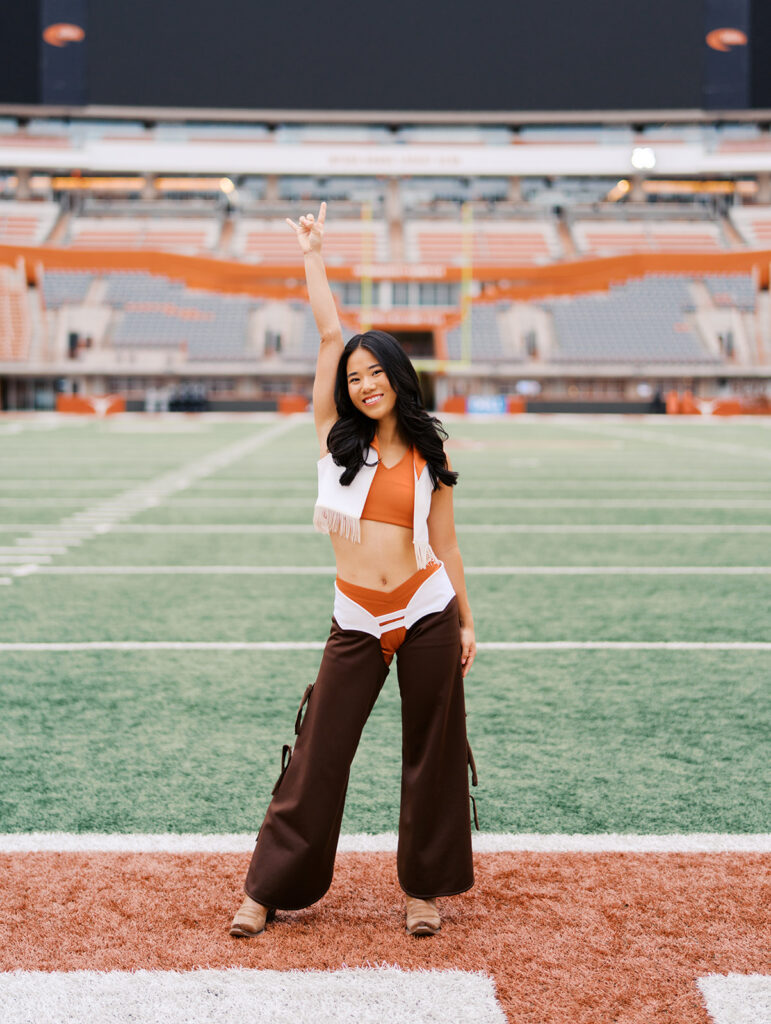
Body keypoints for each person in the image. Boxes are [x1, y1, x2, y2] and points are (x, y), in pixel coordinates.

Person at [229, 201, 478, 939]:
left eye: (377, 373)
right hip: (357, 617)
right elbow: (329, 333)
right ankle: (269, 889)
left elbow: (449, 543)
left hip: (426, 611)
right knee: (318, 754)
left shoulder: (434, 452)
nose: (366, 383)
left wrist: (466, 616)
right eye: (357, 376)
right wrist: (312, 254)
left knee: (431, 755)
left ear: (399, 378)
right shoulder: (334, 439)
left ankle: (422, 891)